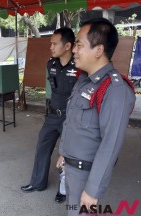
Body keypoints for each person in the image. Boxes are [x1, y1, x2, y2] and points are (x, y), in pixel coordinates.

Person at [57, 18, 136, 215]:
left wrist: (92, 191)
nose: (74, 50)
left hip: (86, 174)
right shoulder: (84, 81)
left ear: (99, 50)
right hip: (72, 169)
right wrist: (63, 152)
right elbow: (74, 124)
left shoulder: (114, 89)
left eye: (79, 45)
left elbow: (110, 145)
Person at [21, 27, 78, 203]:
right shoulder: (51, 64)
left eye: (54, 44)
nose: (51, 47)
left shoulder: (80, 66)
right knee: (42, 148)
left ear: (68, 45)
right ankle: (37, 183)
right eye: (50, 44)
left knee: (68, 153)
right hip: (52, 116)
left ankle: (63, 189)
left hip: (71, 118)